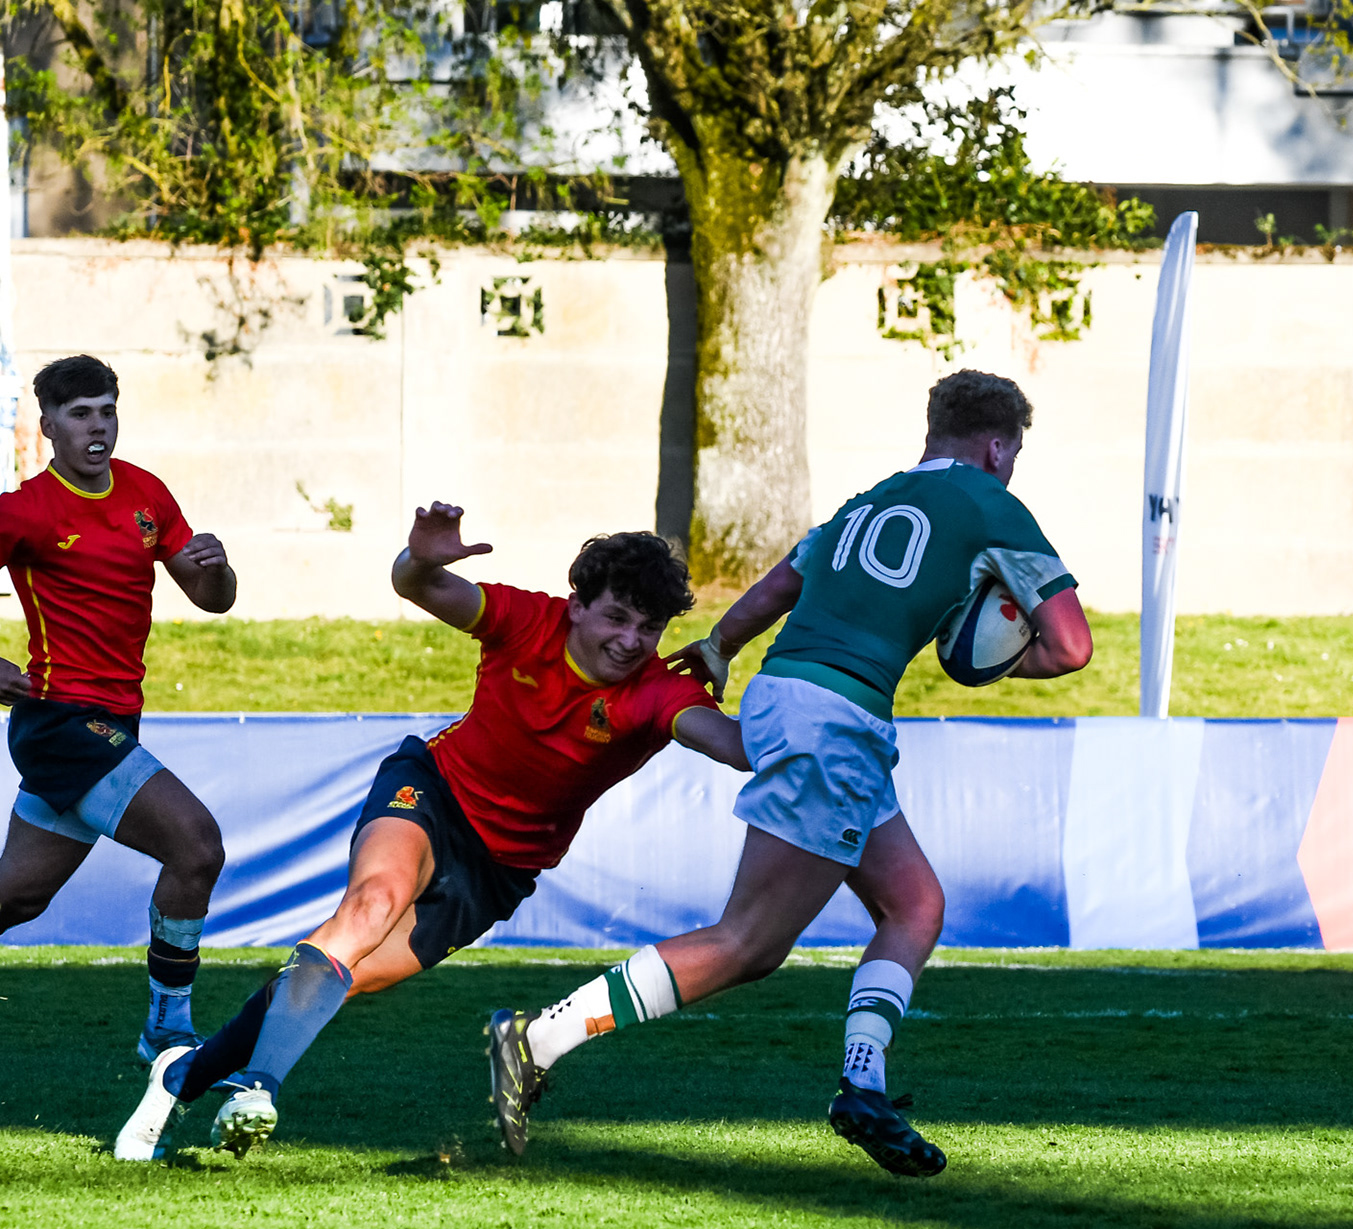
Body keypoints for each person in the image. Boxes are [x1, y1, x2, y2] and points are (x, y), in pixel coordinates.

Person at [487, 369, 1092, 1175]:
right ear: (997, 446)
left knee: (914, 904)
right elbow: (1072, 647)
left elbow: (781, 583)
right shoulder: (994, 505)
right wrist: (987, 663)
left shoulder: (869, 500)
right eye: (1012, 453)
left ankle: (864, 1086)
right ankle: (538, 1038)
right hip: (835, 717)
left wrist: (720, 646)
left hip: (795, 696)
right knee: (748, 943)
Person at [114, 505, 748, 1160]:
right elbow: (416, 585)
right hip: (432, 793)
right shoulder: (527, 620)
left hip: (497, 873)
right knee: (370, 906)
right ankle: (257, 1087)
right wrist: (419, 558)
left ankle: (180, 1077)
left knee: (341, 977)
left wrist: (800, 707)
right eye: (617, 617)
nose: (631, 641)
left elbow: (733, 747)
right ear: (578, 606)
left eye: (650, 628)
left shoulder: (657, 692)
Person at [0, 355, 237, 1068]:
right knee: (196, 844)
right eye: (80, 415)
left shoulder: (145, 492)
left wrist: (218, 567)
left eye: (106, 411)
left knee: (17, 899)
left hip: (111, 724)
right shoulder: (26, 511)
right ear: (47, 427)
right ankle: (167, 1029)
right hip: (61, 723)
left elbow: (213, 599)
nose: (97, 427)